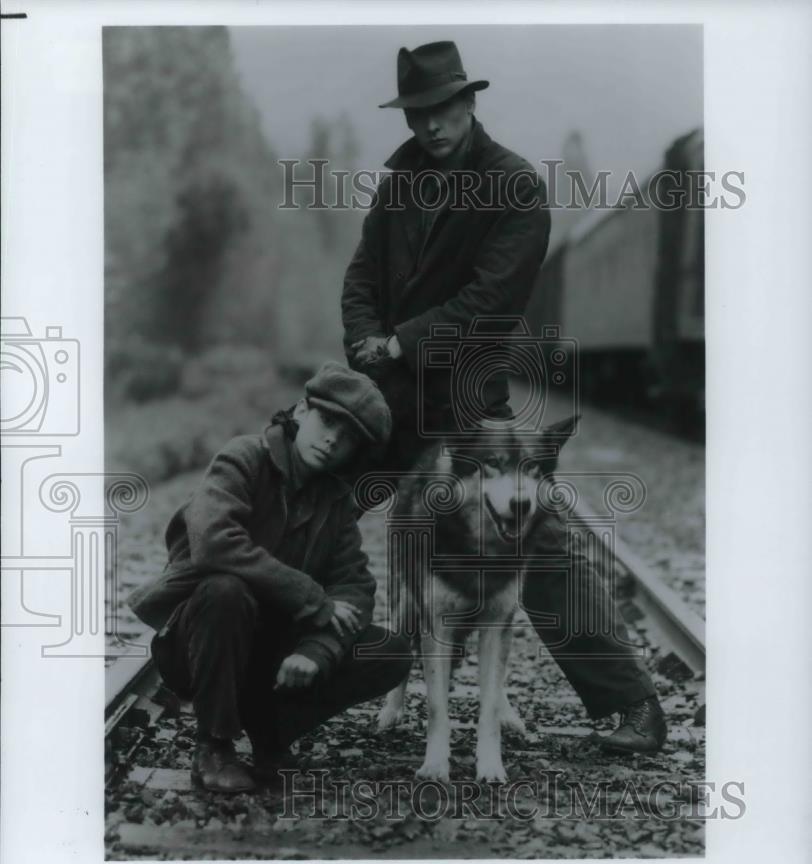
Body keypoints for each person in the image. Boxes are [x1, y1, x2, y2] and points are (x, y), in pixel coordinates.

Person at [342, 40, 666, 754]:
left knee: (534, 540)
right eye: (417, 112)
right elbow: (362, 271)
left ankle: (633, 704)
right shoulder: (398, 183)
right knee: (301, 488)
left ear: (469, 102)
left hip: (463, 399)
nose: (429, 125)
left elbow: (491, 301)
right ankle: (247, 678)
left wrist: (400, 340)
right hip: (388, 389)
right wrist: (365, 342)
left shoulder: (514, 186)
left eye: (442, 109)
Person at [128, 362, 412, 793]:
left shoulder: (334, 502)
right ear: (301, 411)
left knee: (389, 651)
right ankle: (214, 747)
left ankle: (271, 733)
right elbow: (214, 543)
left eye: (349, 435)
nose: (333, 437)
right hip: (199, 642)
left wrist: (317, 651)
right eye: (328, 420)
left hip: (271, 651)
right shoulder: (244, 458)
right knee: (225, 589)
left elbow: (354, 588)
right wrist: (310, 597)